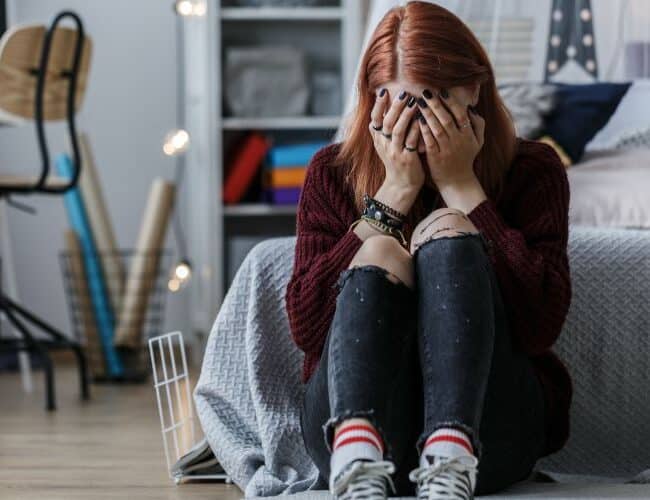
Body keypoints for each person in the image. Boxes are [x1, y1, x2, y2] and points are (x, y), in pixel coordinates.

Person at [285, 2, 572, 499]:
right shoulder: (331, 172)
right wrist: (390, 199)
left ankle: (450, 448)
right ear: (371, 102)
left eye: (432, 101)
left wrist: (464, 190)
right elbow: (308, 330)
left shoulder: (534, 170)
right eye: (394, 102)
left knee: (446, 231)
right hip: (355, 431)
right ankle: (357, 455)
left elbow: (540, 325)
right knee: (380, 254)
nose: (413, 124)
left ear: (472, 91)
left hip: (489, 433)